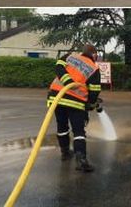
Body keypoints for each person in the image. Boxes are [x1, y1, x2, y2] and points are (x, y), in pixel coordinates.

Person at [47, 44, 102, 172]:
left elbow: (58, 66)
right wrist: (90, 105)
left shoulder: (70, 56)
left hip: (56, 98)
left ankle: (65, 153)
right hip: (75, 102)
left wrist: (66, 81)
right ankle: (81, 160)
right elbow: (94, 91)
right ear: (94, 55)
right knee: (78, 131)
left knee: (62, 127)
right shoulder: (94, 68)